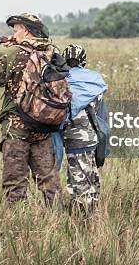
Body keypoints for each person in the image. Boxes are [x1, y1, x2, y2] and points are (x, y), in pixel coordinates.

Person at [0, 13, 61, 205]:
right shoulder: (51, 52)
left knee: (15, 184)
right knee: (50, 182)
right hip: (44, 125)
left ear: (25, 30)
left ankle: (17, 225)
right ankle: (57, 219)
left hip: (17, 127)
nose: (14, 33)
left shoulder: (14, 53)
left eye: (16, 29)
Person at [53, 44, 108, 215]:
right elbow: (101, 114)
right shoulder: (94, 80)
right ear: (83, 60)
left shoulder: (60, 80)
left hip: (71, 137)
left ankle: (82, 218)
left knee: (78, 179)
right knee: (90, 175)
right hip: (91, 137)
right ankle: (90, 213)